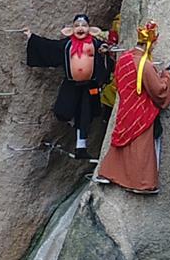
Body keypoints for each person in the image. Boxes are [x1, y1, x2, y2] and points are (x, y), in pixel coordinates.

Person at [96, 21, 170, 192]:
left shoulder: (124, 58)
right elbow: (158, 91)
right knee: (140, 148)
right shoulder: (144, 64)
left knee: (120, 141)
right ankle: (141, 183)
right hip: (141, 109)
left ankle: (108, 173)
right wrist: (166, 76)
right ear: (150, 44)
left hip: (125, 106)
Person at [24, 15, 114, 158]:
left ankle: (81, 147)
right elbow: (50, 47)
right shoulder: (66, 45)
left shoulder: (96, 44)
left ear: (90, 29)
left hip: (89, 85)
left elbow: (106, 57)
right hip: (71, 83)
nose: (80, 28)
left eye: (83, 25)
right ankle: (72, 121)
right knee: (62, 110)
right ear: (71, 30)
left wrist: (104, 52)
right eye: (77, 25)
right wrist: (32, 38)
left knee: (86, 114)